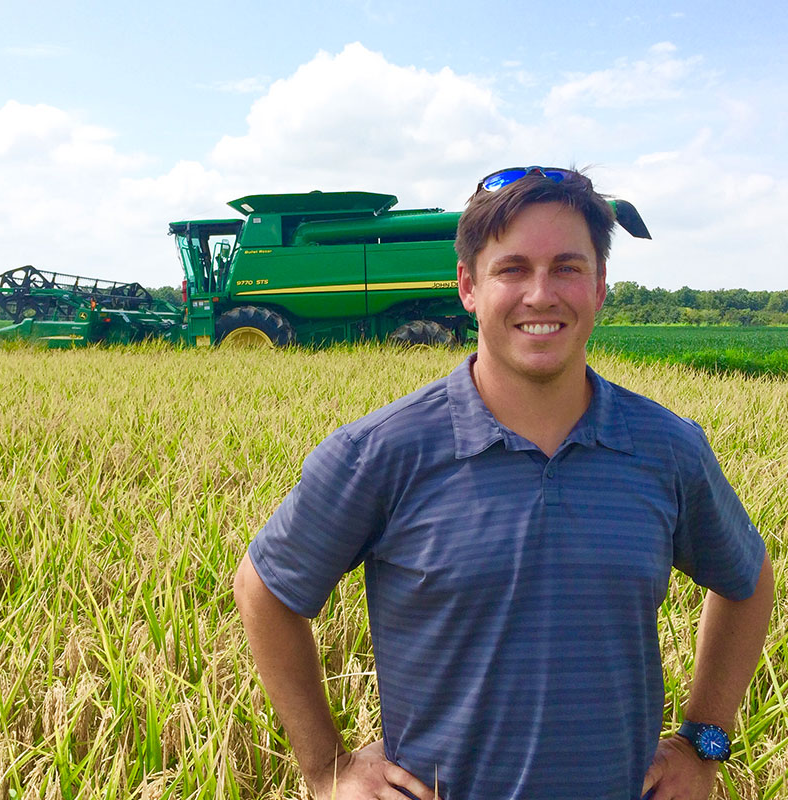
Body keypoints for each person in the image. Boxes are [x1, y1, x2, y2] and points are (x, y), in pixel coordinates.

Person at [234, 166, 773, 800]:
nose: (541, 295)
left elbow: (747, 580)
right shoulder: (379, 453)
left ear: (600, 287)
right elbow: (264, 589)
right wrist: (325, 768)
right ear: (468, 285)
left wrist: (704, 742)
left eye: (568, 268)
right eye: (512, 269)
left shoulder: (668, 450)